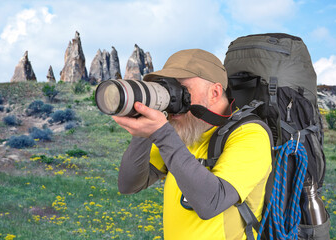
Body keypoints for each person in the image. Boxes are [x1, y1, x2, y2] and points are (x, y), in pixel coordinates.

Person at [112, 49, 272, 240]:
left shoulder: (250, 134)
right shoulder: (183, 130)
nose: (172, 99)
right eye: (167, 88)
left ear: (214, 92)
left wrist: (162, 134)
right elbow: (129, 184)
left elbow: (211, 202)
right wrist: (142, 131)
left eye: (181, 89)